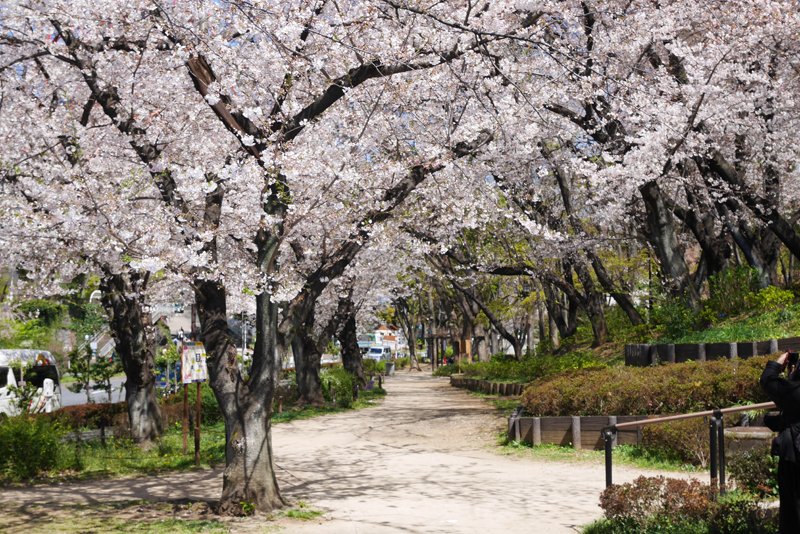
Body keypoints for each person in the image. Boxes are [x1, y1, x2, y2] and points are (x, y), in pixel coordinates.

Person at [760, 351, 800, 533]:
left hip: (794, 458)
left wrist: (778, 364)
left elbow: (768, 381)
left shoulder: (794, 393)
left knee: (792, 511)